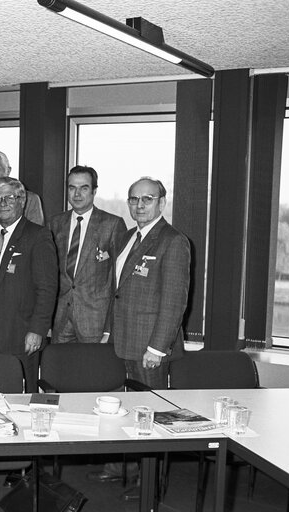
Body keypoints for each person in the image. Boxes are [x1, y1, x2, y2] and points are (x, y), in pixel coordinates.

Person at [93, 177, 191, 498]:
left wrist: (157, 347)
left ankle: (152, 484)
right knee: (130, 409)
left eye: (147, 199)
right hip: (122, 341)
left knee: (153, 414)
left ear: (162, 203)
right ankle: (129, 468)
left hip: (149, 347)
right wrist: (108, 329)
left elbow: (175, 300)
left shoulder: (173, 241)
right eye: (133, 199)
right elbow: (117, 292)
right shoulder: (126, 237)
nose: (139, 205)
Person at [0, 177, 58, 392]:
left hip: (20, 332)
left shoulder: (38, 236)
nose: (3, 203)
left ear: (22, 200)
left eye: (9, 198)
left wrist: (37, 330)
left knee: (18, 397)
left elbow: (47, 289)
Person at [49, 166, 127, 343]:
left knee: (94, 369)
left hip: (96, 320)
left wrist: (110, 327)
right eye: (72, 188)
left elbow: (119, 280)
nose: (77, 194)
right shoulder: (55, 223)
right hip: (60, 318)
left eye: (84, 188)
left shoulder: (112, 225)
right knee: (60, 369)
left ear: (94, 191)